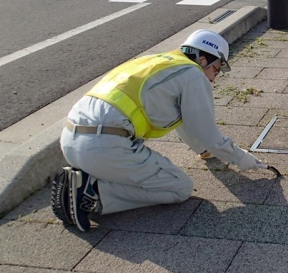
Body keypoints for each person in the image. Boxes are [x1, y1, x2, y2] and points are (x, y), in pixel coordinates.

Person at [51, 29, 273, 232]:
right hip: (104, 147)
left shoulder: (156, 62)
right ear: (202, 59)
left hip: (72, 140)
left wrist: (203, 150)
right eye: (216, 69)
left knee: (148, 175)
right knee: (180, 187)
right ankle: (94, 194)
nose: (214, 78)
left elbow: (187, 121)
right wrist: (246, 161)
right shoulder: (193, 74)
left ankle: (84, 179)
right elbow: (210, 134)